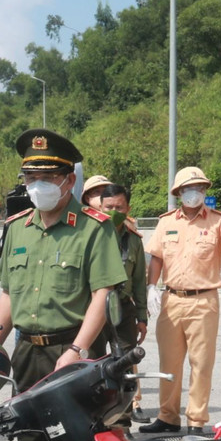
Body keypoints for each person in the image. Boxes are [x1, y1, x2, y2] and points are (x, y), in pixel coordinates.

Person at [0, 128, 126, 391]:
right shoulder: (17, 228)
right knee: (28, 430)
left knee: (78, 430)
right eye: (31, 177)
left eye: (48, 177)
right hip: (26, 351)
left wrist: (78, 349)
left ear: (69, 180)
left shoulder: (95, 228)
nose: (38, 185)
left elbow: (102, 294)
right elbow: (8, 294)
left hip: (74, 348)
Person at [139, 167, 221, 435]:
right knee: (169, 363)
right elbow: (156, 257)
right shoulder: (166, 222)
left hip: (204, 301)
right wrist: (151, 286)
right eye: (189, 188)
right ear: (178, 193)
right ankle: (168, 417)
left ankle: (196, 421)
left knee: (201, 363)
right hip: (171, 300)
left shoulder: (219, 221)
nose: (194, 193)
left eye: (199, 188)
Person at [89, 181, 148, 422]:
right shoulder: (89, 235)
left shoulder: (133, 239)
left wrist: (142, 317)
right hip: (94, 309)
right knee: (91, 365)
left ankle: (122, 420)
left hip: (123, 310)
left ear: (128, 208)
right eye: (108, 207)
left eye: (119, 207)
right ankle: (93, 419)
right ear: (99, 207)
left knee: (125, 364)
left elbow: (139, 281)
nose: (113, 212)